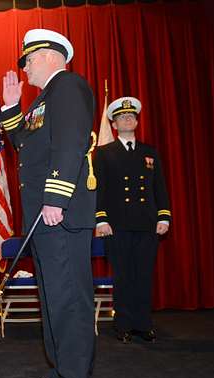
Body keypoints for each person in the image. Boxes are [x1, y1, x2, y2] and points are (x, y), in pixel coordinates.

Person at [0, 28, 96, 378]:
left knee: (69, 299)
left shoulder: (68, 86)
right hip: (44, 216)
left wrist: (55, 198)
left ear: (52, 56)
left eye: (28, 60)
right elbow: (26, 143)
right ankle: (61, 374)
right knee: (54, 298)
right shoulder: (43, 99)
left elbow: (72, 141)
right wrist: (10, 108)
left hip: (60, 213)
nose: (24, 68)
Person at [94, 96, 171, 344]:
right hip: (117, 225)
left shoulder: (149, 152)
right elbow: (100, 189)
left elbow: (159, 187)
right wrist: (101, 219)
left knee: (144, 275)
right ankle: (123, 324)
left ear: (136, 121)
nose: (128, 119)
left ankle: (143, 324)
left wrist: (164, 216)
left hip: (147, 223)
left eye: (131, 116)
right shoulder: (105, 153)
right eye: (122, 117)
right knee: (123, 276)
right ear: (114, 125)